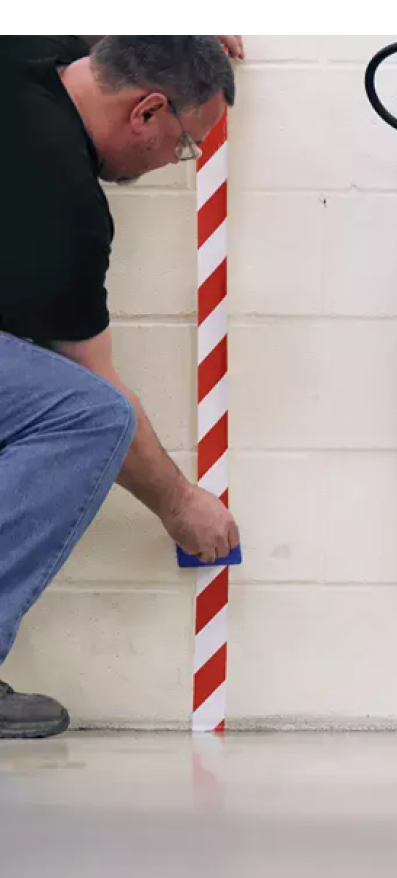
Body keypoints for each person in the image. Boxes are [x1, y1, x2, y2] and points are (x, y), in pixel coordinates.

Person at [0, 36, 245, 739]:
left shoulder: (23, 55)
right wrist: (180, 503)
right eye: (185, 143)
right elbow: (94, 384)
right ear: (147, 111)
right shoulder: (67, 206)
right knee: (89, 414)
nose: (176, 159)